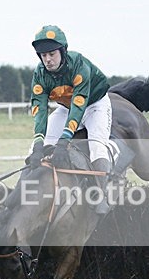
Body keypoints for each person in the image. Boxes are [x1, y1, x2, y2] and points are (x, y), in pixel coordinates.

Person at [26, 24, 112, 214]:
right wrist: (39, 143)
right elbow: (39, 109)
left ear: (63, 51)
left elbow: (79, 106)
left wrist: (64, 141)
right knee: (34, 148)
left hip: (94, 105)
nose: (47, 60)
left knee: (97, 145)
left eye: (52, 54)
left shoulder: (79, 65)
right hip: (66, 107)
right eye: (43, 55)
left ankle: (102, 195)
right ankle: (25, 192)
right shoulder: (40, 73)